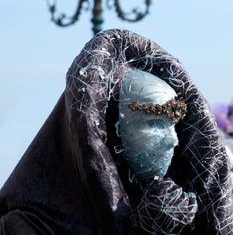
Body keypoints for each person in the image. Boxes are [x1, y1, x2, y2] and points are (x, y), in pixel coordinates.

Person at [0, 29, 232, 234]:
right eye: (153, 123)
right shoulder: (28, 226)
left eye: (173, 124)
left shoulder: (184, 216)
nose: (172, 139)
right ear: (112, 128)